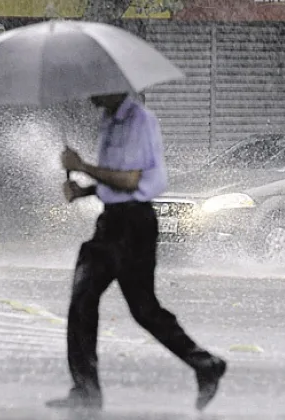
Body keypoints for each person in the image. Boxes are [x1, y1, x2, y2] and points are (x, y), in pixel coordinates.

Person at [45, 92, 227, 412]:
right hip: (111, 223)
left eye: (97, 84)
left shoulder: (139, 121)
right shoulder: (110, 121)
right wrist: (83, 190)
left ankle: (205, 363)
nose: (89, 92)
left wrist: (82, 166)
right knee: (82, 302)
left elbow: (130, 180)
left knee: (144, 309)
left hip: (134, 226)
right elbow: (114, 181)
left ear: (115, 84)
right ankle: (86, 389)